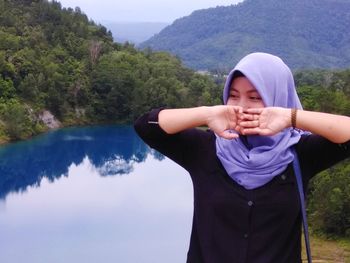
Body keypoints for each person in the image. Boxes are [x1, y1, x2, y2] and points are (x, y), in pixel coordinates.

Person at [134, 52, 350, 262]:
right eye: (234, 95)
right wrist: (206, 114)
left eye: (255, 97)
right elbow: (147, 126)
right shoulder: (205, 149)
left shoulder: (298, 153)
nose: (241, 106)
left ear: (277, 99)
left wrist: (290, 116)